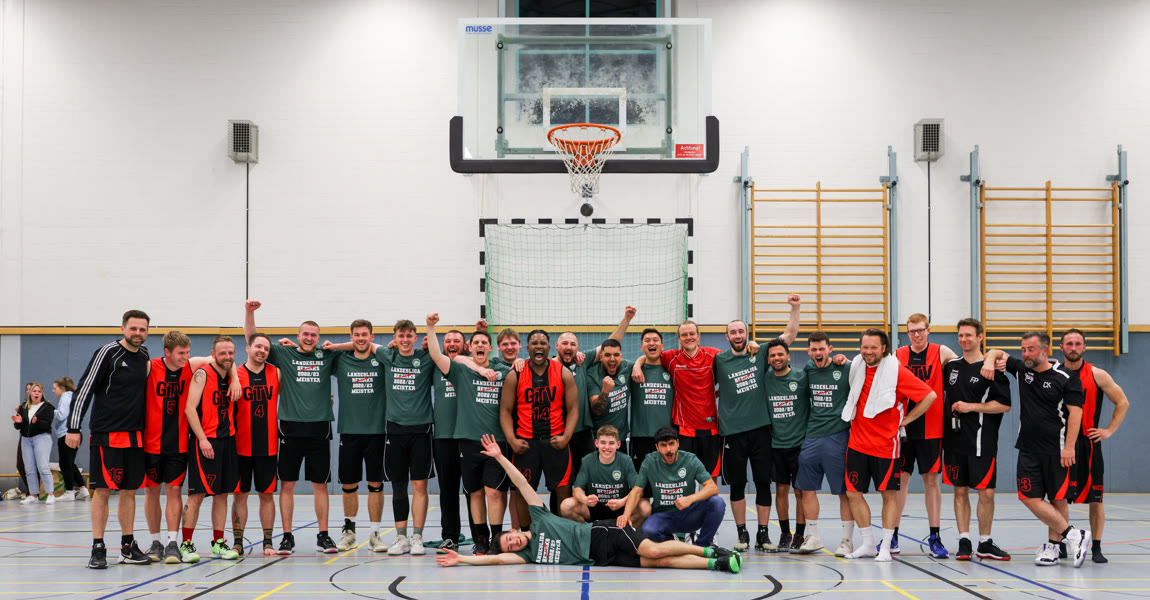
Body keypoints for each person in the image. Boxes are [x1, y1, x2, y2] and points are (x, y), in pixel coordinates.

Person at [435, 434, 742, 573]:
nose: (513, 543)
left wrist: (501, 458)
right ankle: (716, 564)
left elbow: (523, 485)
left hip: (602, 534)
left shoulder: (540, 519)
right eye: (509, 546)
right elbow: (496, 561)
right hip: (599, 558)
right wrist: (462, 560)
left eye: (509, 538)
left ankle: (709, 550)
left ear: (514, 530)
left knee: (655, 550)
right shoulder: (526, 555)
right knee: (658, 563)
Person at [632, 296, 800, 479]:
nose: (688, 337)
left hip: (710, 427)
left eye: (692, 334)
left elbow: (785, 339)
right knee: (684, 478)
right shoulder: (671, 357)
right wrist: (637, 365)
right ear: (679, 338)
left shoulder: (715, 356)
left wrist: (752, 343)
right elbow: (650, 355)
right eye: (684, 335)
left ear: (698, 336)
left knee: (710, 479)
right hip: (684, 428)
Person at [984, 332, 1090, 568]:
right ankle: (1074, 535)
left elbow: (1076, 414)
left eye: (1030, 349)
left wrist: (1070, 446)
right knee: (1028, 497)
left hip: (1058, 449)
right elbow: (995, 352)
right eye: (1023, 349)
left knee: (1058, 499)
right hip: (1028, 448)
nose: (1026, 354)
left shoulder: (1066, 377)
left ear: (1045, 350)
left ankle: (1053, 548)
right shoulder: (1022, 370)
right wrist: (990, 362)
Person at [245, 299, 340, 554]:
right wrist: (249, 312)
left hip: (319, 427)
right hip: (290, 427)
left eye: (314, 335)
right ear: (298, 336)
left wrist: (336, 346)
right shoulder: (284, 353)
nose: (309, 338)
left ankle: (323, 535)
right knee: (287, 484)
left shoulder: (327, 355)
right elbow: (253, 338)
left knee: (320, 485)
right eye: (305, 334)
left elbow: (359, 346)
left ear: (318, 338)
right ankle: (287, 537)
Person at [67, 309, 154, 569]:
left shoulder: (145, 355)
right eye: (133, 328)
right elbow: (84, 389)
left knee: (130, 491)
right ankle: (98, 547)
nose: (138, 333)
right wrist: (73, 427)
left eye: (142, 329)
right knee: (103, 491)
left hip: (135, 436)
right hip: (107, 434)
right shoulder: (107, 353)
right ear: (123, 328)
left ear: (147, 332)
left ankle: (127, 547)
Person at [142, 330, 239, 563]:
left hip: (178, 442)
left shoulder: (191, 365)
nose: (185, 357)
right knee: (153, 491)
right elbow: (190, 408)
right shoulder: (151, 367)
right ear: (167, 352)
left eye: (187, 352)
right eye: (181, 353)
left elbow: (226, 359)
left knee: (179, 491)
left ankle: (174, 543)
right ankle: (156, 542)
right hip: (152, 441)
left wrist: (235, 378)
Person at [842, 328, 936, 562]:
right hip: (857, 443)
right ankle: (868, 544)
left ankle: (886, 546)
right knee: (853, 494)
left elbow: (929, 396)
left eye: (873, 347)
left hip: (886, 446)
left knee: (889, 496)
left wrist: (906, 420)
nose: (868, 352)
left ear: (884, 348)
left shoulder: (897, 371)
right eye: (865, 347)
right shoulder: (857, 365)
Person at [427, 316, 511, 555]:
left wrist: (519, 362)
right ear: (470, 348)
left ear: (490, 348)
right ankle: (481, 540)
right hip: (468, 441)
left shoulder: (502, 371)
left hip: (496, 442)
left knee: (494, 493)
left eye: (484, 342)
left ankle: (496, 539)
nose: (480, 346)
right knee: (474, 493)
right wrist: (430, 327)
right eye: (476, 343)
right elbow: (437, 355)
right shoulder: (460, 370)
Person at [942, 318, 1011, 561]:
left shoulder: (992, 369)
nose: (963, 339)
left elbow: (1004, 405)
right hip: (954, 440)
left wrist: (971, 407)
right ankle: (964, 540)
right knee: (959, 491)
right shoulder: (951, 366)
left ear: (980, 337)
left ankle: (984, 542)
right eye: (961, 335)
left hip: (982, 441)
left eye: (968, 335)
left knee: (986, 493)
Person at [892, 314, 959, 558]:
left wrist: (992, 361)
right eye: (912, 331)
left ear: (928, 330)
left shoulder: (942, 352)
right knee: (900, 481)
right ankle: (892, 536)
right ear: (907, 333)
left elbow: (967, 364)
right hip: (903, 428)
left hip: (932, 427)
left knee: (931, 481)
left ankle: (935, 537)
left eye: (920, 330)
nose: (917, 335)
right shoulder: (898, 355)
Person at [1060, 328, 1128, 564]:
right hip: (1061, 443)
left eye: (1078, 343)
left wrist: (1108, 430)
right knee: (1059, 497)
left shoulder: (1097, 374)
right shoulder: (1054, 373)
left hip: (1088, 444)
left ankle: (1096, 547)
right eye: (1069, 343)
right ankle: (1061, 544)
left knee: (1096, 499)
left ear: (1084, 347)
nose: (1074, 348)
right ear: (1061, 347)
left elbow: (1122, 402)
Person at [499, 330, 579, 529]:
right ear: (527, 348)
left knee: (563, 491)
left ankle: (564, 535)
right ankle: (528, 534)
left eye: (543, 343)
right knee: (522, 491)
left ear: (549, 348)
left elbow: (573, 409)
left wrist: (566, 437)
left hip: (556, 442)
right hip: (526, 445)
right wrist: (512, 440)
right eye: (534, 343)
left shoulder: (562, 372)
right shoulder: (515, 375)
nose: (539, 346)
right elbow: (505, 411)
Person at [713, 319, 775, 552]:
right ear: (727, 336)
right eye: (733, 332)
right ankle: (742, 534)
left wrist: (795, 308)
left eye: (741, 331)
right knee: (737, 485)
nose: (737, 335)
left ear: (747, 334)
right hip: (732, 433)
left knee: (763, 483)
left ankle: (763, 533)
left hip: (761, 430)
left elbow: (788, 337)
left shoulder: (759, 354)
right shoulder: (719, 360)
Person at [181, 336, 241, 563]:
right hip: (206, 441)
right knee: (197, 495)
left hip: (228, 441)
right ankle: (186, 545)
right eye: (222, 353)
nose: (227, 357)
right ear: (213, 354)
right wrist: (202, 439)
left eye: (231, 353)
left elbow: (231, 366)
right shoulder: (202, 374)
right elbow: (189, 409)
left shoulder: (231, 376)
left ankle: (218, 543)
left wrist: (235, 378)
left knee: (222, 494)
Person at [796, 331, 855, 557]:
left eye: (822, 348)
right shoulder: (808, 370)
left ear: (830, 349)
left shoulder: (845, 368)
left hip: (838, 436)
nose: (818, 353)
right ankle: (813, 536)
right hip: (811, 436)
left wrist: (847, 359)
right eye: (814, 349)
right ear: (809, 352)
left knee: (843, 492)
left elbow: (865, 368)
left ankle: (847, 540)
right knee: (806, 489)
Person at [331, 320, 388, 553]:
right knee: (349, 484)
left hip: (377, 431)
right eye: (356, 335)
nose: (361, 338)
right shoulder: (341, 360)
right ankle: (350, 533)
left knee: (376, 484)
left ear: (372, 337)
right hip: (349, 431)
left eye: (365, 334)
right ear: (351, 337)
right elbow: (313, 354)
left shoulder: (381, 359)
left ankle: (375, 534)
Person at [623, 426, 726, 547]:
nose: (668, 450)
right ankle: (674, 543)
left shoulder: (690, 459)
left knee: (717, 502)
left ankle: (702, 545)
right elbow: (636, 491)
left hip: (688, 515)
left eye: (671, 444)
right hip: (663, 516)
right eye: (663, 445)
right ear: (657, 447)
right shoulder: (649, 461)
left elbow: (712, 488)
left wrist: (690, 499)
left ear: (678, 443)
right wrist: (626, 514)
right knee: (648, 531)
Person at [232, 332, 282, 557]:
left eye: (266, 348)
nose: (262, 351)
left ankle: (268, 542)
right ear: (248, 348)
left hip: (268, 447)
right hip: (240, 447)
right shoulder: (235, 374)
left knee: (266, 496)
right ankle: (238, 543)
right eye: (258, 346)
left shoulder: (276, 373)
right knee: (239, 496)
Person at [762, 339, 811, 553]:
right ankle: (785, 533)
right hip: (776, 445)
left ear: (788, 356)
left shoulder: (801, 377)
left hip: (800, 444)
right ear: (768, 359)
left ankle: (800, 534)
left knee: (800, 491)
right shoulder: (765, 379)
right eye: (772, 355)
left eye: (780, 354)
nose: (776, 358)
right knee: (781, 490)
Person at [561, 425, 651, 526]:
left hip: (620, 507)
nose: (607, 447)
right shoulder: (588, 460)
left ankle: (626, 532)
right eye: (603, 442)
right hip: (595, 507)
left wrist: (621, 502)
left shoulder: (626, 461)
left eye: (611, 443)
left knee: (645, 507)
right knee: (566, 505)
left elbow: (638, 491)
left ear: (618, 444)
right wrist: (585, 499)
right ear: (596, 443)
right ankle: (586, 532)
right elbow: (577, 490)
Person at [628, 329, 674, 474]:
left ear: (662, 346)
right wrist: (637, 364)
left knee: (667, 480)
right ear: (642, 347)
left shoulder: (672, 369)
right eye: (647, 341)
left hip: (667, 437)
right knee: (642, 482)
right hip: (640, 435)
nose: (651, 343)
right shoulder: (633, 371)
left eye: (655, 340)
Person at [13, 382, 55, 505]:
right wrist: (18, 422)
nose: (37, 393)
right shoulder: (23, 407)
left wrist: (37, 422)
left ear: (42, 394)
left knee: (43, 467)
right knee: (29, 468)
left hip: (42, 438)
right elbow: (18, 426)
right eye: (34, 391)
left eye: (39, 391)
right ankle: (33, 495)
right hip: (26, 439)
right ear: (30, 393)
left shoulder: (47, 407)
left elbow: (47, 424)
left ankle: (50, 494)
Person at [51, 377, 88, 501]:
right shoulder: (73, 396)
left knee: (65, 463)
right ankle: (83, 489)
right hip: (74, 433)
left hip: (66, 434)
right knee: (70, 463)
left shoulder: (65, 397)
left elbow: (62, 415)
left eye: (55, 388)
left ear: (62, 388)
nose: (53, 391)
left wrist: (51, 410)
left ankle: (69, 492)